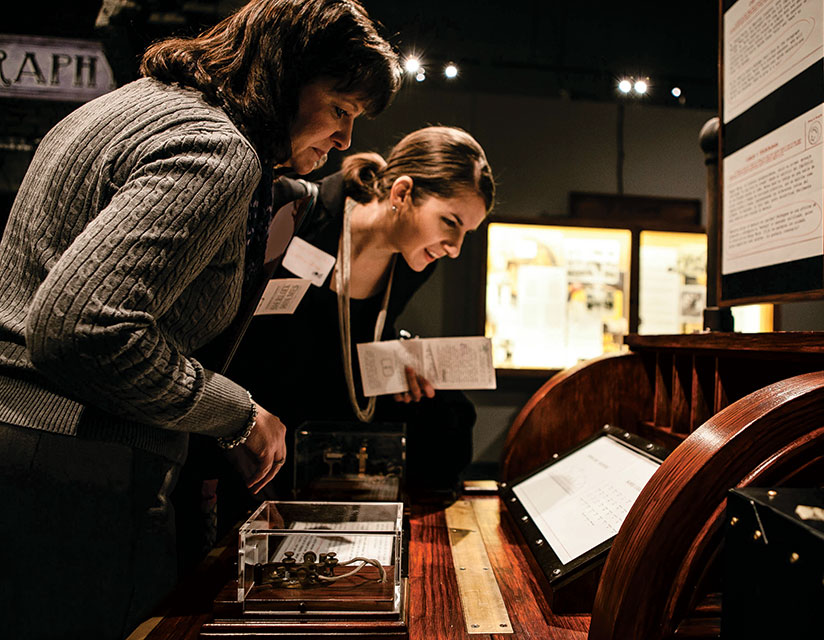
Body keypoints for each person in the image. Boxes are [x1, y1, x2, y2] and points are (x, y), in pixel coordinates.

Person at [0, 1, 400, 638]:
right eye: (340, 109)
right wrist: (238, 413)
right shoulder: (217, 149)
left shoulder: (126, 106)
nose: (347, 141)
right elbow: (83, 328)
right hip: (78, 475)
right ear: (285, 76)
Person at [226, 125, 495, 505]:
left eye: (466, 232)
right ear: (402, 192)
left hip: (333, 439)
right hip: (255, 428)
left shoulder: (413, 264)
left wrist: (397, 364)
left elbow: (356, 339)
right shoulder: (299, 209)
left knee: (451, 418)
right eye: (450, 222)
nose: (454, 249)